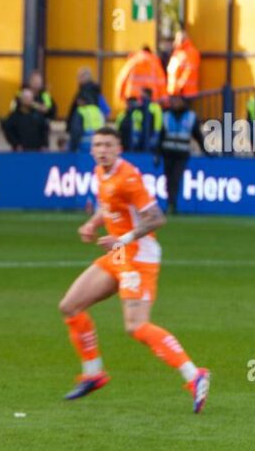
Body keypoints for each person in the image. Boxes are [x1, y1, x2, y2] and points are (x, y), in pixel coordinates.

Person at [58, 127, 210, 412]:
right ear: (92, 150)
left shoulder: (129, 177)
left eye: (108, 145)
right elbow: (109, 206)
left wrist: (122, 239)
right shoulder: (100, 172)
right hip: (117, 255)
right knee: (70, 306)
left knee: (136, 326)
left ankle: (194, 375)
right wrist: (93, 223)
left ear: (119, 149)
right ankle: (93, 373)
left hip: (138, 256)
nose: (102, 149)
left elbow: (156, 218)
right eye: (98, 145)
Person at [158, 95, 207, 214]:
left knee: (175, 178)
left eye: (176, 101)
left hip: (182, 154)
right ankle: (171, 203)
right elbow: (161, 136)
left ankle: (172, 204)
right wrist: (157, 153)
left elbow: (197, 135)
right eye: (173, 101)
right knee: (169, 179)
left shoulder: (190, 116)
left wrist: (205, 150)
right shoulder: (166, 115)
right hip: (168, 153)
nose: (174, 103)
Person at [166, 31, 200, 97]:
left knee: (185, 107)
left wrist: (179, 87)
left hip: (185, 92)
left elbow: (189, 71)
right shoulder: (177, 52)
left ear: (182, 40)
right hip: (175, 91)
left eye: (176, 39)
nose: (174, 42)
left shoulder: (190, 52)